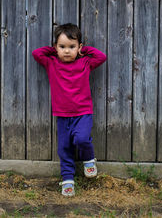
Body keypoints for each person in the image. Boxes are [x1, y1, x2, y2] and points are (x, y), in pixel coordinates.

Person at [32, 23, 107, 196]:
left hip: (83, 113)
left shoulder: (85, 62)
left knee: (81, 139)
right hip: (62, 115)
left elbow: (101, 57)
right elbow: (37, 54)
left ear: (79, 47)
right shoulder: (51, 62)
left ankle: (88, 160)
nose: (67, 51)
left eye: (72, 47)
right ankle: (68, 180)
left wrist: (83, 50)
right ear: (55, 47)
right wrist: (53, 51)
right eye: (62, 47)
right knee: (64, 148)